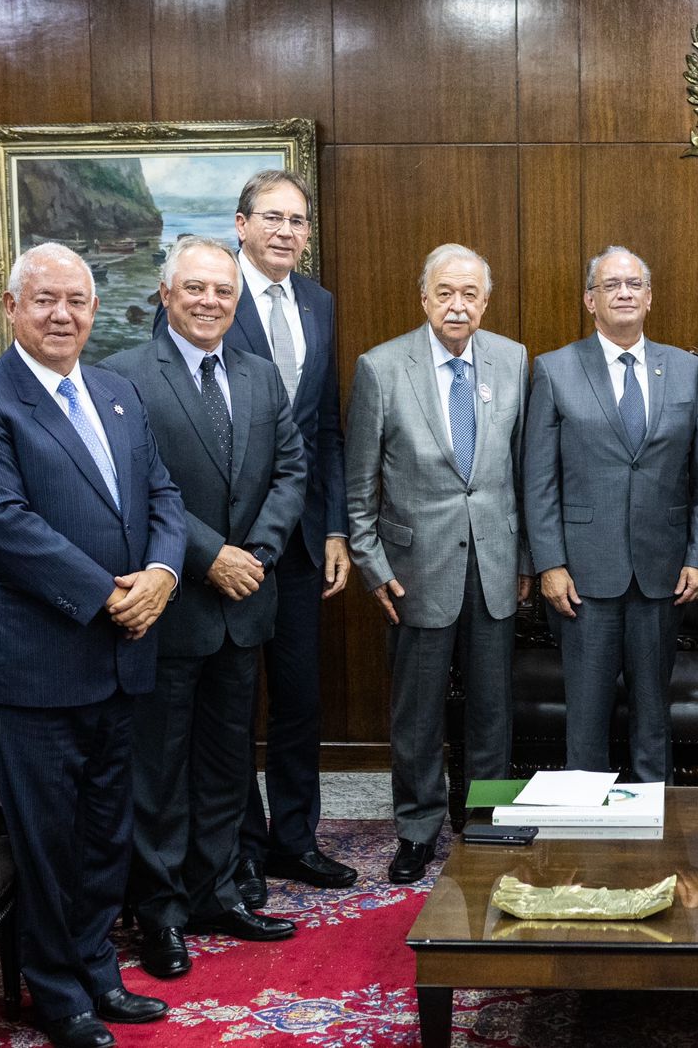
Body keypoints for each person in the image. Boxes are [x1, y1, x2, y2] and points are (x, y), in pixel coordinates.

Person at [0, 243, 185, 1048]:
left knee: (105, 830)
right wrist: (111, 595)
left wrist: (161, 573)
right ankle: (56, 992)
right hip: (34, 663)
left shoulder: (116, 393)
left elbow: (162, 495)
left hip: (120, 657)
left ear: (94, 309)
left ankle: (97, 969)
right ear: (12, 308)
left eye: (76, 301)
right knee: (48, 838)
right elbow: (4, 524)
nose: (62, 315)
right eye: (44, 300)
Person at [101, 236, 307, 979]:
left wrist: (257, 554)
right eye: (194, 288)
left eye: (222, 290)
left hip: (245, 603)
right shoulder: (124, 375)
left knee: (227, 765)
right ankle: (159, 912)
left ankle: (215, 894)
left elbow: (291, 470)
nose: (209, 302)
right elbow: (133, 482)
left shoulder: (259, 375)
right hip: (172, 604)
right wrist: (211, 554)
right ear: (166, 294)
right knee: (158, 771)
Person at [344, 243, 531, 883]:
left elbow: (524, 471)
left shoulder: (512, 359)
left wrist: (525, 557)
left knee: (492, 709)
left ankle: (486, 817)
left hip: (494, 563)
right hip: (413, 569)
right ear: (424, 298)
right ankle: (418, 829)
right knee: (417, 712)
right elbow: (359, 487)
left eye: (469, 294)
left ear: (486, 302)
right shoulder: (381, 367)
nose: (457, 305)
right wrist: (372, 566)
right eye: (445, 293)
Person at [523, 246, 698, 780]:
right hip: (583, 576)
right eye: (611, 285)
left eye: (634, 284)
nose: (624, 293)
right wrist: (549, 564)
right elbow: (539, 481)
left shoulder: (685, 371)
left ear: (649, 297)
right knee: (586, 720)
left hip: (664, 573)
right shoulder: (555, 370)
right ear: (591, 300)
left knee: (653, 716)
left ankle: (657, 818)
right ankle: (588, 827)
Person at [226, 170, 355, 902]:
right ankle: (242, 848)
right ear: (241, 224)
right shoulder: (210, 295)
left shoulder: (317, 301)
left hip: (303, 537)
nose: (285, 231)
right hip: (233, 544)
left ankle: (295, 840)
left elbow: (326, 425)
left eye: (297, 220)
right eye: (271, 217)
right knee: (234, 703)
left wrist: (335, 525)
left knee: (300, 700)